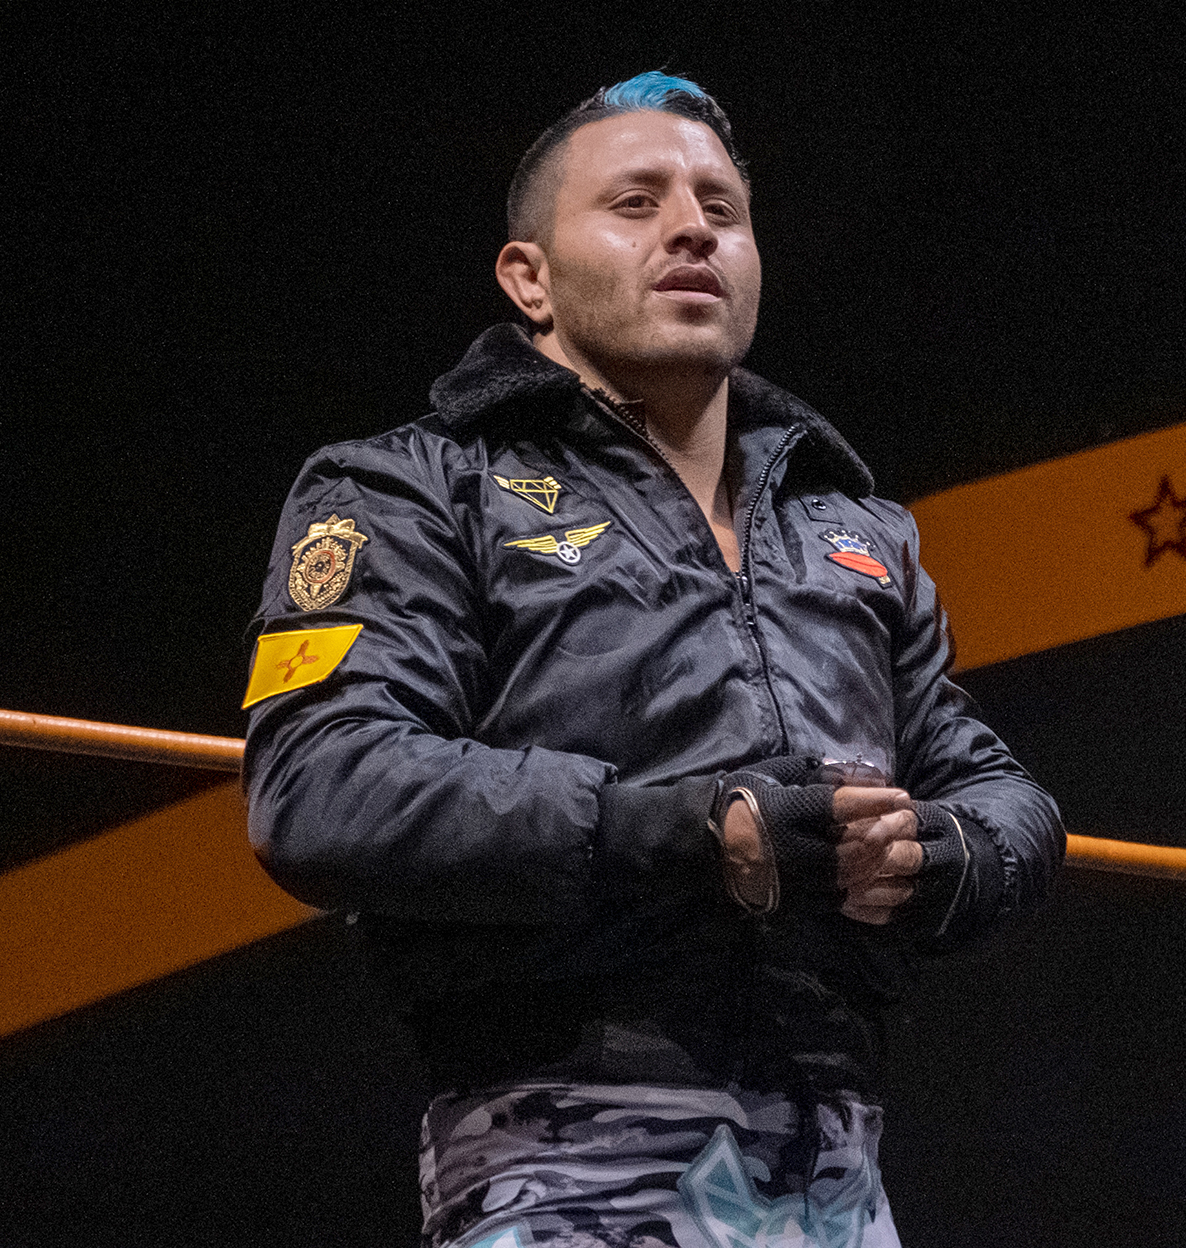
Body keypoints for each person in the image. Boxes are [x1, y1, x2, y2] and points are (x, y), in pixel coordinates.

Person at [242, 71, 1064, 1248]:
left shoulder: (854, 528)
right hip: (557, 1159)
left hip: (842, 1174)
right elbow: (320, 788)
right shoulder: (409, 486)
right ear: (528, 277)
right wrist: (694, 831)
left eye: (722, 209)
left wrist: (946, 854)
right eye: (636, 202)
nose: (692, 228)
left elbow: (1000, 792)